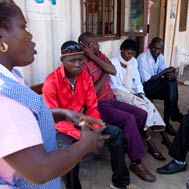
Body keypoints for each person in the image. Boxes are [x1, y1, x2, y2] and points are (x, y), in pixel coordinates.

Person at [0, 1, 108, 189]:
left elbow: (28, 116)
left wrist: (63, 113)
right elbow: (40, 170)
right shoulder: (5, 97)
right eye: (23, 27)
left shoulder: (11, 77)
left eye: (80, 60)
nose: (31, 35)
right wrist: (84, 144)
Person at [42, 41, 131, 189]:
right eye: (72, 61)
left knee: (116, 133)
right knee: (67, 150)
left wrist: (94, 127)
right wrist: (81, 137)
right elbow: (54, 118)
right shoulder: (51, 82)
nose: (77, 64)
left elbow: (92, 107)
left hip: (82, 121)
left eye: (80, 60)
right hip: (60, 127)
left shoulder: (85, 77)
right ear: (62, 60)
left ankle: (120, 182)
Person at [77, 33, 156, 182]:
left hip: (111, 99)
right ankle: (136, 162)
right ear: (85, 45)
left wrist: (95, 58)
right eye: (94, 44)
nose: (98, 46)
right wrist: (104, 73)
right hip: (98, 106)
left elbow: (112, 70)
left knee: (141, 114)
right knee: (129, 119)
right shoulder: (81, 65)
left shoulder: (98, 54)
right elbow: (92, 93)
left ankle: (130, 143)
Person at [109, 38, 171, 161]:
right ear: (122, 50)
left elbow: (137, 80)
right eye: (128, 53)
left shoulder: (133, 62)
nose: (130, 56)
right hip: (119, 93)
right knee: (142, 109)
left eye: (132, 54)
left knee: (150, 105)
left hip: (133, 92)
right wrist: (131, 93)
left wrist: (141, 93)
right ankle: (150, 144)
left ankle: (164, 136)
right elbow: (114, 86)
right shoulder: (112, 63)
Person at [137, 37, 182, 136]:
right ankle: (173, 113)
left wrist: (170, 75)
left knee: (171, 84)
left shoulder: (160, 56)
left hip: (156, 84)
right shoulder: (142, 58)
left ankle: (167, 120)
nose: (156, 51)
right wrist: (165, 71)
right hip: (145, 87)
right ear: (150, 46)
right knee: (169, 87)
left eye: (159, 49)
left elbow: (164, 71)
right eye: (154, 48)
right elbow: (147, 80)